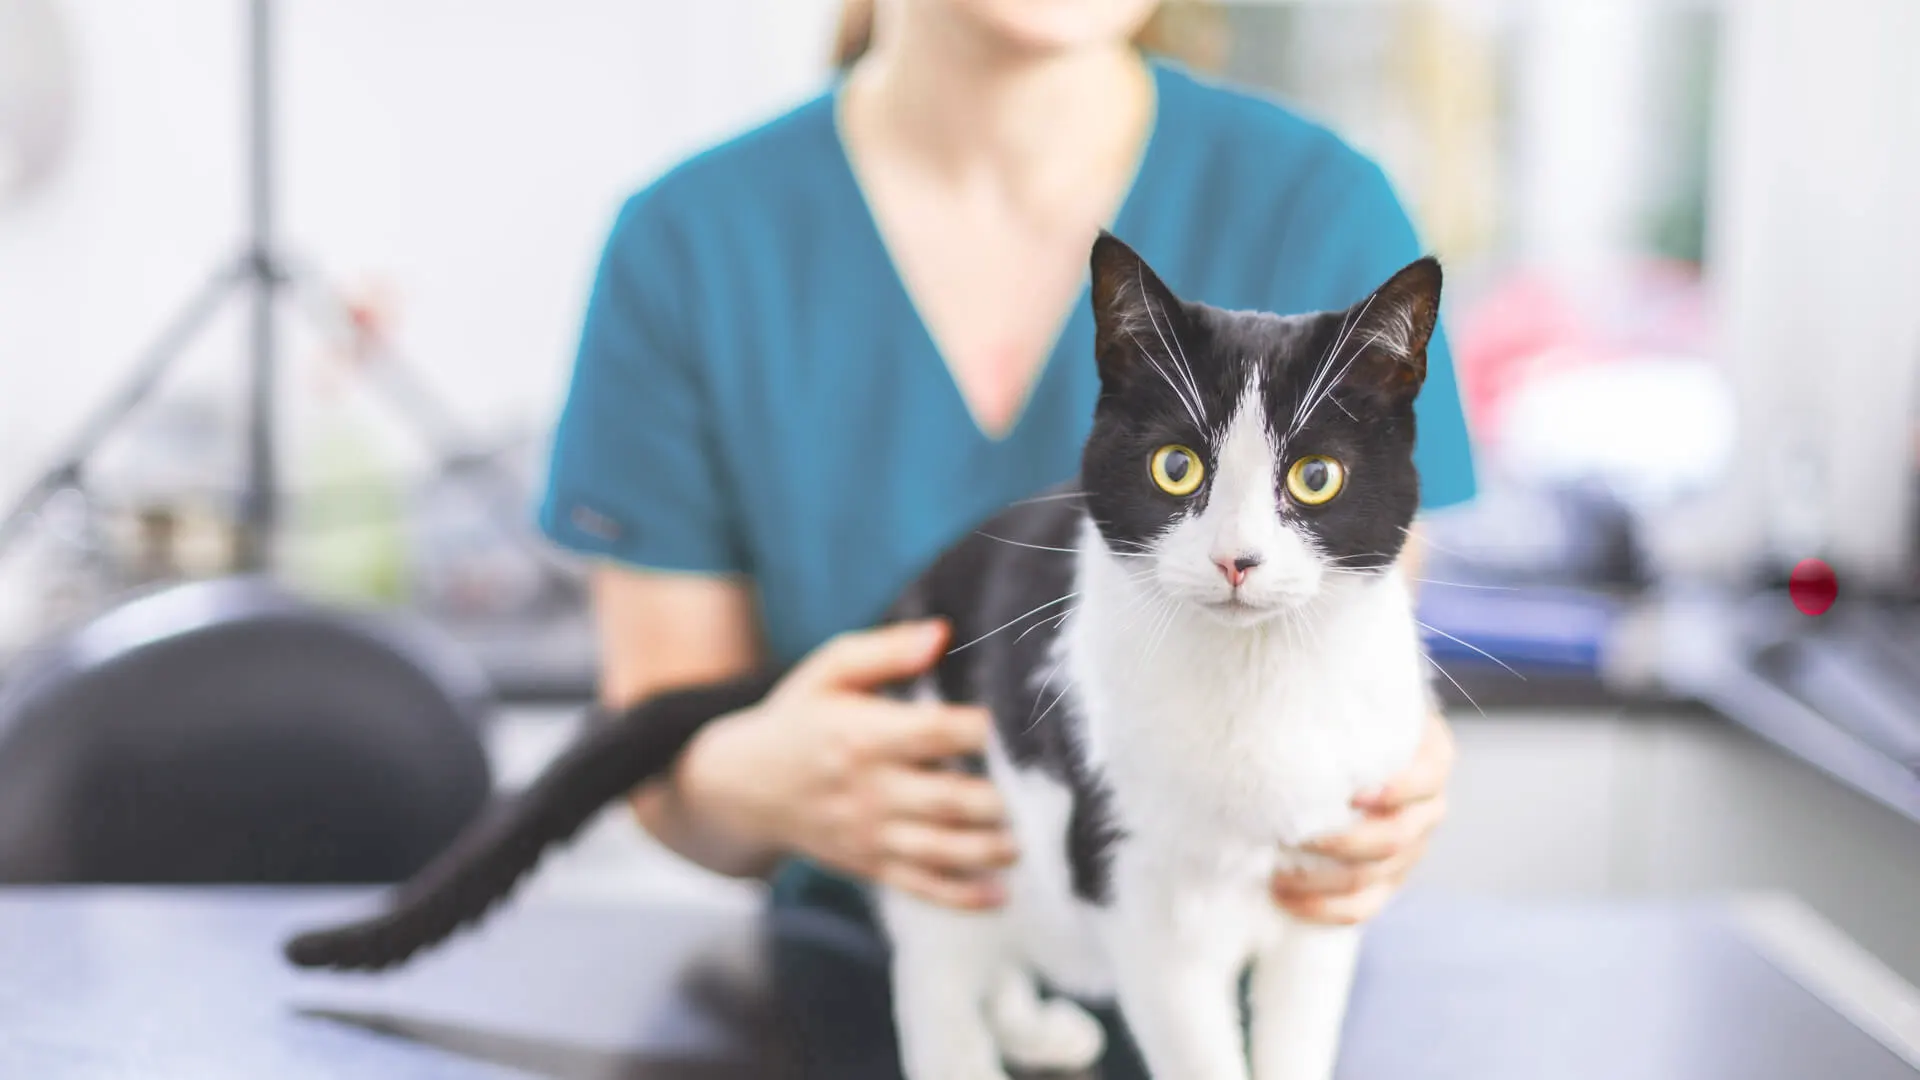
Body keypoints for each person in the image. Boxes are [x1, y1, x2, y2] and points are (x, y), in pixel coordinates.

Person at [538, 0, 1473, 944]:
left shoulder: (1324, 209)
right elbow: (663, 774)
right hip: (868, 970)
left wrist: (1386, 788)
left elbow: (1353, 653)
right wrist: (754, 785)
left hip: (1230, 963)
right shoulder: (688, 246)